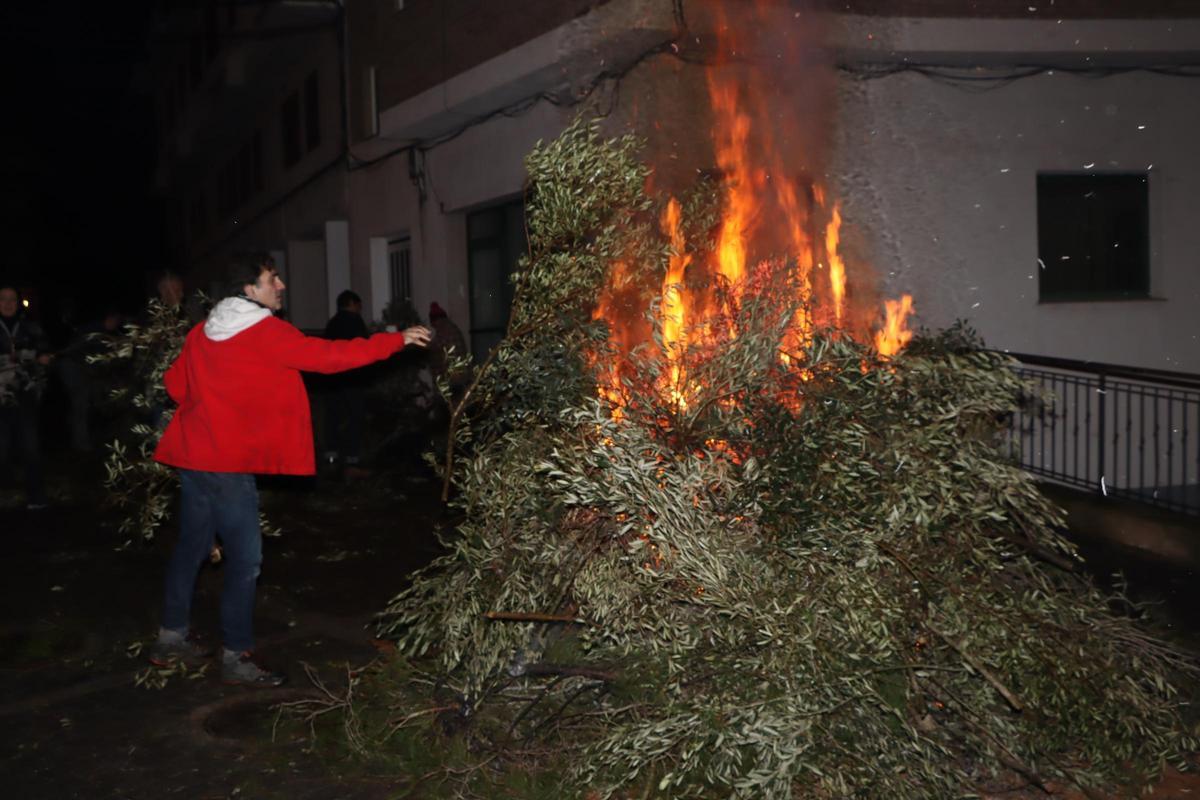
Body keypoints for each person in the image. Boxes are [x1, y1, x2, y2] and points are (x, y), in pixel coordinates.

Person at [148, 254, 431, 686]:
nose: (280, 285)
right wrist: (393, 341)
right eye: (271, 279)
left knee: (191, 547)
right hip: (226, 466)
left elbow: (174, 386)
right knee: (245, 561)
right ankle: (238, 655)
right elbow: (328, 357)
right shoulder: (264, 331)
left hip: (193, 459)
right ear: (249, 290)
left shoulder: (202, 331)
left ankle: (170, 639)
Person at [0, 284, 51, 510]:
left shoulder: (31, 327)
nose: (8, 303)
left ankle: (36, 497)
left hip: (25, 395)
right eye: (3, 299)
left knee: (31, 446)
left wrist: (43, 357)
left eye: (12, 299)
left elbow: (43, 352)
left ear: (18, 302)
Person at [322, 290, 370, 470]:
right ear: (352, 304)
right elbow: (363, 346)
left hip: (333, 377)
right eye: (358, 305)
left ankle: (331, 453)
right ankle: (352, 456)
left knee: (333, 414)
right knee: (355, 414)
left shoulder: (332, 323)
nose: (360, 309)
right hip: (352, 377)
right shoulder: (355, 321)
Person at [428, 301, 469, 397]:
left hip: (453, 378)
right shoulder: (453, 328)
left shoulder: (443, 331)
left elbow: (434, 348)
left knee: (448, 404)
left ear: (435, 321)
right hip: (461, 374)